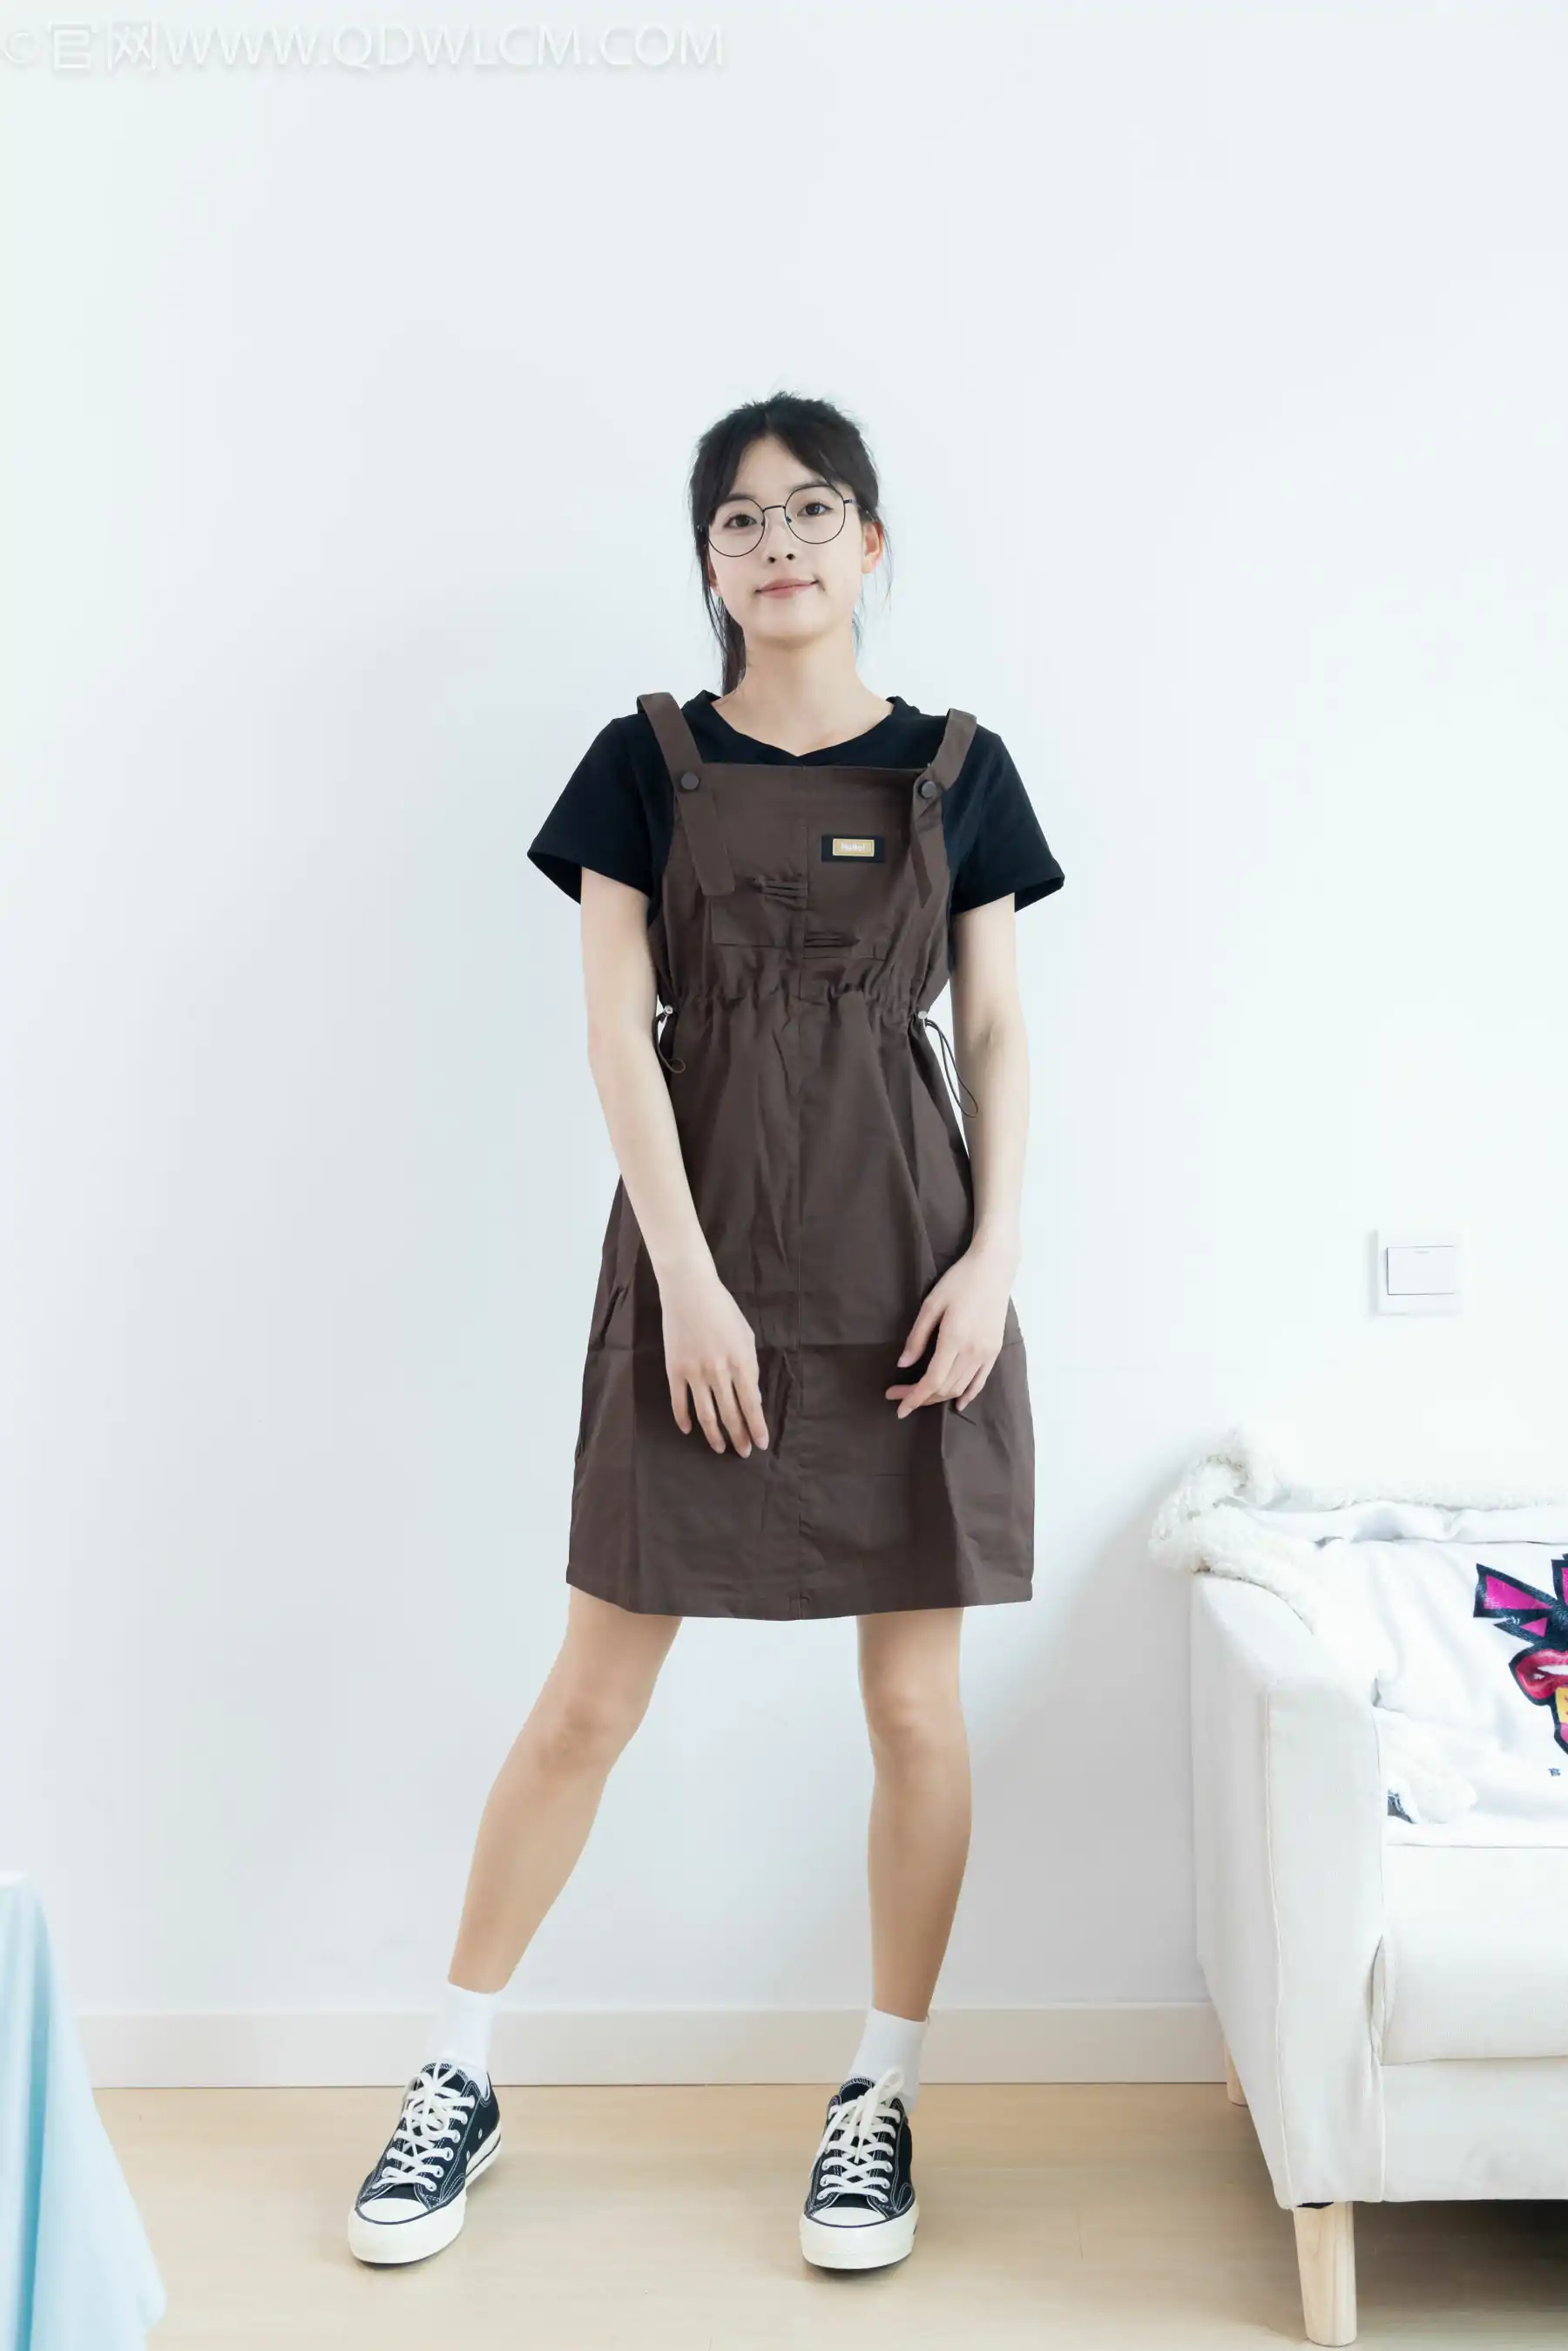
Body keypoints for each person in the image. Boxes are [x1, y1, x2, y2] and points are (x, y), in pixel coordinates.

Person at [347, 392, 1066, 2274]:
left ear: (871, 544)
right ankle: (457, 2067)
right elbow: (616, 1029)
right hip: (698, 1275)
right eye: (740, 522)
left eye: (812, 511)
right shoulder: (642, 765)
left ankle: (880, 2095)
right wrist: (686, 1278)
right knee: (591, 1696)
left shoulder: (964, 772)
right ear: (710, 564)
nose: (779, 545)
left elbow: (996, 1028)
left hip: (913, 1274)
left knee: (912, 1708)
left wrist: (996, 1255)